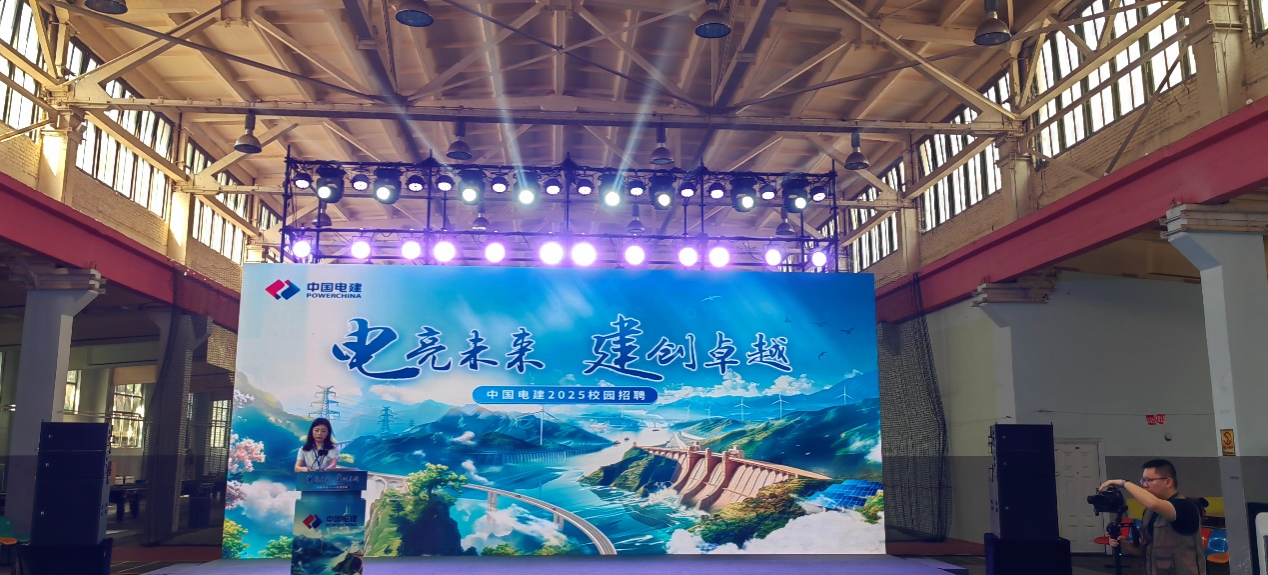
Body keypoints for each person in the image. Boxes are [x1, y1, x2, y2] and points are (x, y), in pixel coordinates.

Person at [1098, 459, 1207, 575]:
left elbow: (1155, 504)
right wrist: (1123, 543)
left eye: (1149, 480)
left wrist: (1124, 483)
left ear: (1168, 482)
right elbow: (1143, 549)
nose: (1144, 485)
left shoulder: (1185, 506)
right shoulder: (1150, 512)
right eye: (1143, 480)